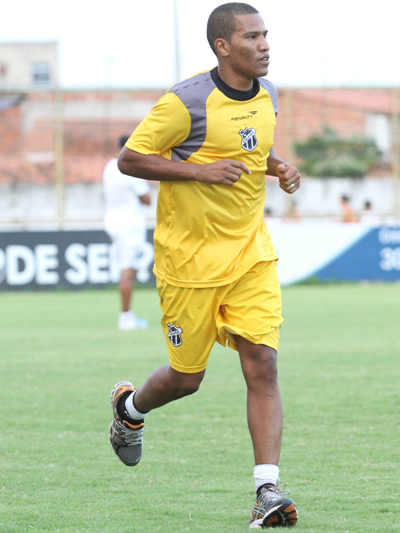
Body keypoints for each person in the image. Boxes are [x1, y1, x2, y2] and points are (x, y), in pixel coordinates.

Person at [110, 3, 300, 528]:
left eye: (266, 35)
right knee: (186, 379)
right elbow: (131, 158)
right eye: (252, 37)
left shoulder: (270, 95)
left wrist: (278, 166)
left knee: (262, 362)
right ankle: (130, 411)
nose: (264, 45)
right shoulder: (186, 101)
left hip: (249, 254)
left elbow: (253, 151)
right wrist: (198, 173)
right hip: (189, 262)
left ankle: (267, 490)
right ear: (223, 45)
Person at [103, 135, 152, 330]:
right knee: (129, 270)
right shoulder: (131, 169)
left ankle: (126, 315)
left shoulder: (109, 167)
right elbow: (147, 198)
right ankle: (126, 317)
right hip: (129, 223)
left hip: (112, 220)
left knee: (125, 268)